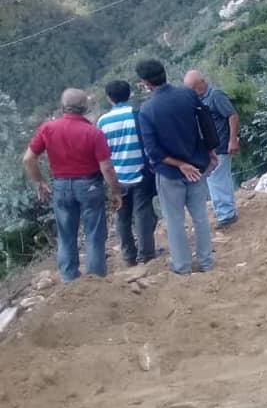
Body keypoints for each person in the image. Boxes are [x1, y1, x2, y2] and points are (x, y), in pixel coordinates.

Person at [22, 89, 124, 282]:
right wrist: (116, 191)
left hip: (61, 186)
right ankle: (95, 280)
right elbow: (107, 168)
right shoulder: (93, 133)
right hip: (90, 186)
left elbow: (28, 159)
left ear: (63, 107)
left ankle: (69, 279)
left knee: (66, 235)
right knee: (94, 234)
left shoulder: (48, 129)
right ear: (85, 108)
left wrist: (40, 182)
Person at [135, 59, 216, 275]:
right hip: (198, 167)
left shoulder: (147, 110)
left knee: (175, 221)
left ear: (145, 83)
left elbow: (153, 152)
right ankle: (207, 261)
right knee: (200, 216)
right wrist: (210, 151)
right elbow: (205, 123)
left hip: (170, 173)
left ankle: (182, 266)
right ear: (165, 73)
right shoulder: (187, 94)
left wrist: (180, 165)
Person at [97, 80, 157, 266]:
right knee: (142, 214)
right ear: (129, 94)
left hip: (116, 177)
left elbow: (101, 152)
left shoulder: (102, 121)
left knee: (122, 216)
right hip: (140, 173)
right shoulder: (137, 115)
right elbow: (148, 142)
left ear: (109, 98)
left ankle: (128, 256)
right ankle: (146, 254)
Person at [184, 70, 240, 229]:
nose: (192, 90)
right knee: (217, 179)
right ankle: (226, 211)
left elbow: (233, 115)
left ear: (200, 83)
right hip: (211, 147)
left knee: (216, 179)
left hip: (221, 145)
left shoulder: (216, 95)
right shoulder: (199, 99)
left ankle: (226, 214)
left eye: (193, 87)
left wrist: (232, 140)